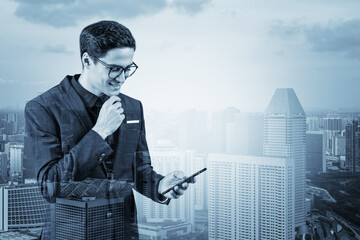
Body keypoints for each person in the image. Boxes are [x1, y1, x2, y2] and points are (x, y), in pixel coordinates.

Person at [24, 20, 194, 239]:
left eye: (128, 69)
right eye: (114, 69)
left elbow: (137, 170)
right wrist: (99, 133)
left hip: (121, 233)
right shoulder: (43, 108)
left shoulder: (133, 107)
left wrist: (160, 185)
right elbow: (49, 187)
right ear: (87, 60)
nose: (122, 78)